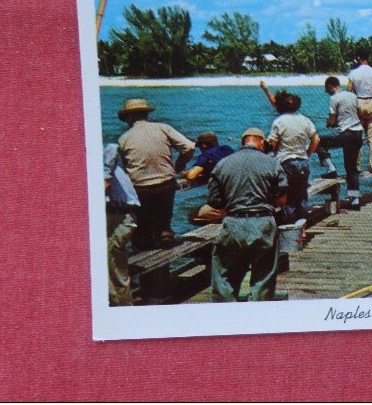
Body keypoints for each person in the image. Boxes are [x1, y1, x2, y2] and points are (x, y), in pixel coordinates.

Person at [206, 127, 289, 302]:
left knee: (224, 275)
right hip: (263, 222)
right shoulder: (273, 163)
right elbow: (281, 200)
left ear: (243, 142)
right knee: (263, 277)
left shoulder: (223, 164)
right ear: (260, 141)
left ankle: (226, 315)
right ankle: (256, 314)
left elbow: (214, 200)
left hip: (233, 222)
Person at [116, 98, 195, 252]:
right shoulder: (163, 128)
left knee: (142, 231)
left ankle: (145, 261)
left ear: (129, 117)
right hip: (166, 185)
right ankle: (165, 235)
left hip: (140, 189)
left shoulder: (123, 139)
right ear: (146, 114)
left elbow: (122, 171)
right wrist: (180, 165)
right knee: (163, 226)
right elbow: (189, 147)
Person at [267, 91, 320, 224]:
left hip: (285, 162)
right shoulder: (305, 120)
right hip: (302, 161)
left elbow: (272, 144)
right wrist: (308, 154)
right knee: (302, 196)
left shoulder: (279, 121)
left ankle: (290, 227)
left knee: (288, 197)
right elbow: (316, 139)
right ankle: (301, 228)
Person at [316, 76, 364, 211]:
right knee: (351, 168)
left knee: (318, 141)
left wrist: (330, 123)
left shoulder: (334, 98)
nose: (326, 91)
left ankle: (330, 168)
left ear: (332, 86)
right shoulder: (352, 96)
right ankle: (355, 201)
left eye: (327, 88)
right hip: (358, 133)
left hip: (347, 134)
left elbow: (331, 120)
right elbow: (358, 114)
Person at [103, 143, 139, 307]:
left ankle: (124, 310)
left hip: (118, 216)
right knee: (115, 267)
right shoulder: (107, 154)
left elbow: (104, 184)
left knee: (115, 271)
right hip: (125, 215)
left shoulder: (105, 155)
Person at [347, 50, 372, 174]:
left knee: (358, 136)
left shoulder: (353, 73)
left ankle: (357, 166)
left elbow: (349, 91)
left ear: (358, 58)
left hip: (359, 102)